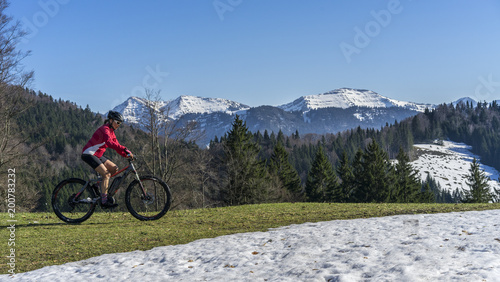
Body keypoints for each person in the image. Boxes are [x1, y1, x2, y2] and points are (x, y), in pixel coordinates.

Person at [81, 111, 134, 208]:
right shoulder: (105, 129)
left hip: (97, 155)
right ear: (110, 120)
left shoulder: (112, 132)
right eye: (117, 122)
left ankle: (97, 186)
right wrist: (125, 149)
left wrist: (126, 154)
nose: (119, 125)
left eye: (120, 123)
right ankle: (104, 201)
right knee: (106, 174)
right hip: (89, 154)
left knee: (114, 168)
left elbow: (117, 146)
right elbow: (109, 143)